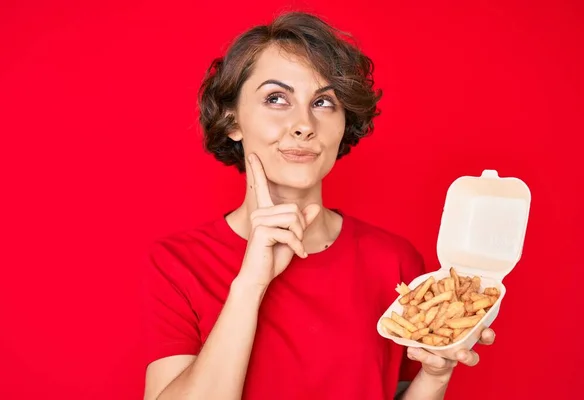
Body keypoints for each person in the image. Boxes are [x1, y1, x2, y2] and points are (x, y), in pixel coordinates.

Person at [142, 11, 495, 400]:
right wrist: (251, 284)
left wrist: (436, 374)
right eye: (276, 99)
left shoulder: (394, 262)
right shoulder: (179, 264)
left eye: (324, 102)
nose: (304, 124)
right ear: (232, 120)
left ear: (344, 122)